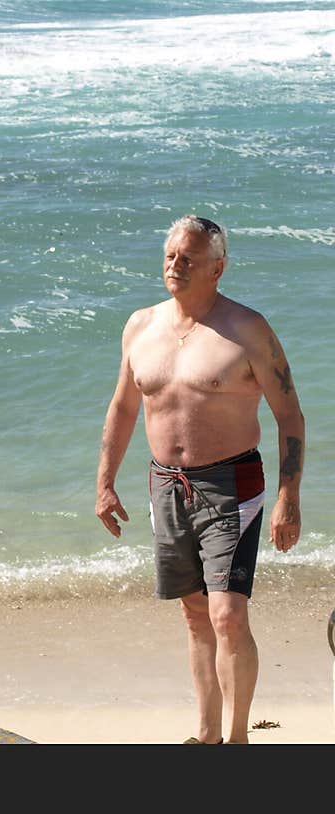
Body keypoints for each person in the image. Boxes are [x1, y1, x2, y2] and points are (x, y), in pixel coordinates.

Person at [95, 214, 305, 744]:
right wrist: (105, 482)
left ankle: (238, 739)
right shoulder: (140, 326)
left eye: (188, 257)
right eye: (170, 255)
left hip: (232, 484)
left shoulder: (247, 329)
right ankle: (207, 735)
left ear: (218, 268)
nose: (175, 264)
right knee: (194, 615)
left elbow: (290, 418)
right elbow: (123, 408)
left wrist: (288, 497)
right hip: (165, 484)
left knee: (228, 612)